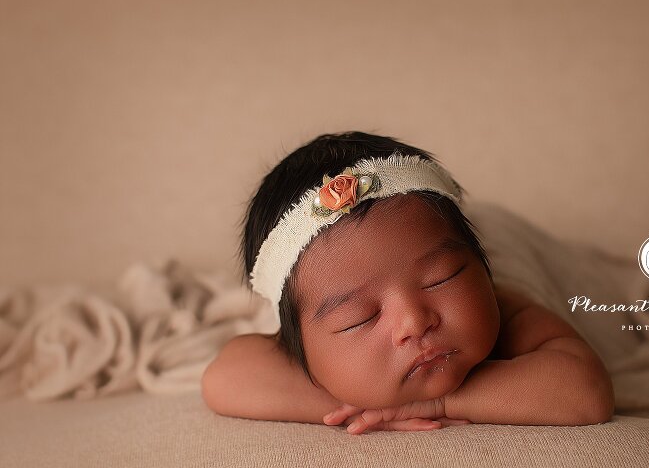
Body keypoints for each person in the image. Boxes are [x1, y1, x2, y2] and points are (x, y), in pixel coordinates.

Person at [201, 131, 614, 434]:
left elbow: (585, 390)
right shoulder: (307, 325)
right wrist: (357, 399)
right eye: (359, 318)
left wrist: (438, 402)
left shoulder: (504, 305)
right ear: (303, 351)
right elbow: (224, 377)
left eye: (441, 279)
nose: (415, 322)